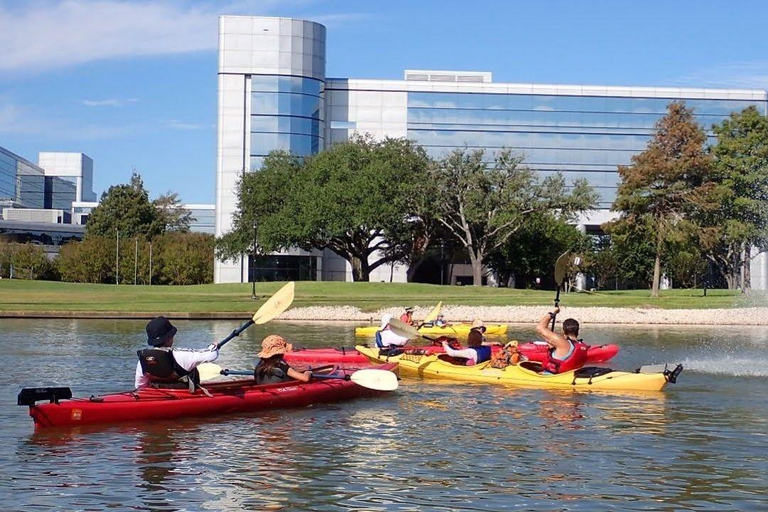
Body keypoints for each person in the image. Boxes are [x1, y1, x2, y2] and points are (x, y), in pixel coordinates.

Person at [135, 316, 219, 390]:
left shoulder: (143, 361)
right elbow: (211, 354)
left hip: (157, 396)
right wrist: (213, 346)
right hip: (184, 396)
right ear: (169, 338)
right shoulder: (181, 355)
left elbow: (140, 386)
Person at [534, 306, 588, 374]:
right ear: (578, 331)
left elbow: (539, 328)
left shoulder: (561, 342)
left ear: (564, 331)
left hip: (553, 376)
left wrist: (553, 313)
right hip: (569, 375)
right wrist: (554, 349)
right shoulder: (583, 346)